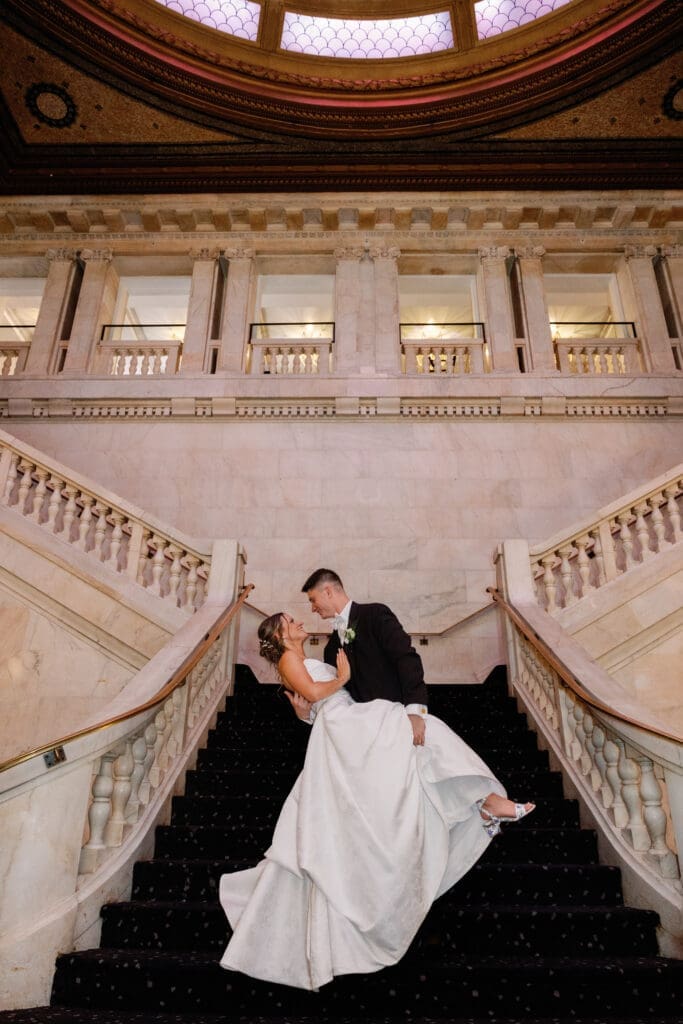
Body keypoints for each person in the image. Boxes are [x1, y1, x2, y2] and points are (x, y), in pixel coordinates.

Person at [219, 609, 535, 991]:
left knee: (415, 749)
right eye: (290, 621)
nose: (300, 622)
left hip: (343, 725)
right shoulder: (289, 659)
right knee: (413, 729)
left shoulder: (299, 661)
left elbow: (309, 707)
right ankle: (481, 800)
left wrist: (314, 705)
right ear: (281, 635)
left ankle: (480, 801)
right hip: (345, 727)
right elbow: (318, 694)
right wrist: (343, 678)